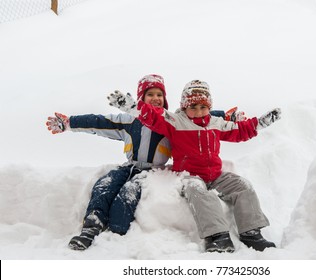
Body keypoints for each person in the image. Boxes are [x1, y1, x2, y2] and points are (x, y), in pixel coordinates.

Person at [46, 75, 246, 250]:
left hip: (151, 172)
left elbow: (201, 114)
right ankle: (91, 227)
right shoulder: (128, 121)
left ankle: (115, 234)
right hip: (129, 167)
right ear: (140, 98)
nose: (155, 98)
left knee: (126, 197)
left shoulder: (173, 121)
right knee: (104, 186)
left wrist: (229, 116)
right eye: (150, 94)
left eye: (159, 95)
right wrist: (69, 123)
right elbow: (98, 121)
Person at [133, 79, 281, 253]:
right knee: (200, 192)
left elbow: (240, 131)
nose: (198, 112)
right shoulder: (175, 121)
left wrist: (260, 123)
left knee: (243, 186)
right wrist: (132, 107)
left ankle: (251, 233)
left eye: (203, 107)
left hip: (215, 175)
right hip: (188, 175)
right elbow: (153, 116)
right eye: (193, 107)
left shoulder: (216, 123)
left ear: (209, 107)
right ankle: (218, 236)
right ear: (184, 106)